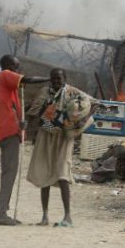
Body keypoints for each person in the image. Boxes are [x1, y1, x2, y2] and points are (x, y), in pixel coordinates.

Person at [26, 68, 95, 227]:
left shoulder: (73, 92)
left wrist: (83, 122)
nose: (56, 81)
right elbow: (34, 112)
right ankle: (44, 217)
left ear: (64, 79)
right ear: (50, 79)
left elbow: (94, 103)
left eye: (59, 78)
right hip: (46, 134)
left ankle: (68, 217)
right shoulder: (45, 92)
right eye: (54, 79)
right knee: (44, 174)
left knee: (63, 175)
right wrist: (32, 123)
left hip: (64, 137)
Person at [0, 55, 49, 226]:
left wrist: (21, 122)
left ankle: (3, 210)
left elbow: (14, 109)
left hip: (11, 130)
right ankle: (1, 213)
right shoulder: (5, 75)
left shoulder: (9, 87)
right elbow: (28, 80)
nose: (19, 71)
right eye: (17, 68)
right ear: (9, 66)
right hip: (8, 131)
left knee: (10, 172)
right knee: (9, 173)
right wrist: (48, 78)